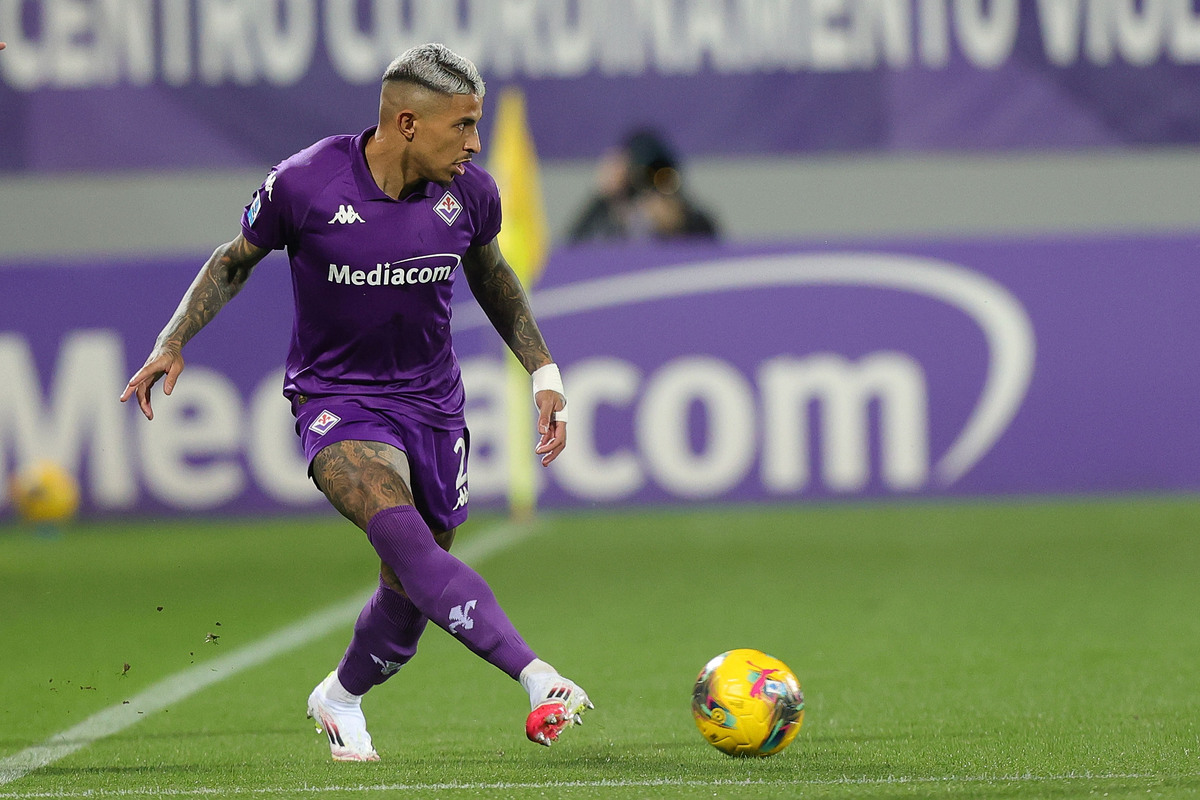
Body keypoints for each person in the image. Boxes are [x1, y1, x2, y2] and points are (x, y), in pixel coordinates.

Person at [120, 43, 591, 762]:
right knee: (402, 535)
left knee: (412, 588)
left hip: (433, 404)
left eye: (477, 124)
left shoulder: (470, 193)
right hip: (337, 401)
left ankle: (340, 696)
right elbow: (233, 260)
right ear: (407, 124)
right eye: (462, 125)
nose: (474, 142)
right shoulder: (306, 183)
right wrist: (173, 337)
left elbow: (493, 278)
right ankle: (537, 677)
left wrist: (544, 371)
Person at [567, 128, 718, 244]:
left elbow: (713, 248)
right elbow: (573, 250)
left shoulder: (689, 217)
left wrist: (681, 225)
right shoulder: (608, 208)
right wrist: (605, 197)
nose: (647, 186)